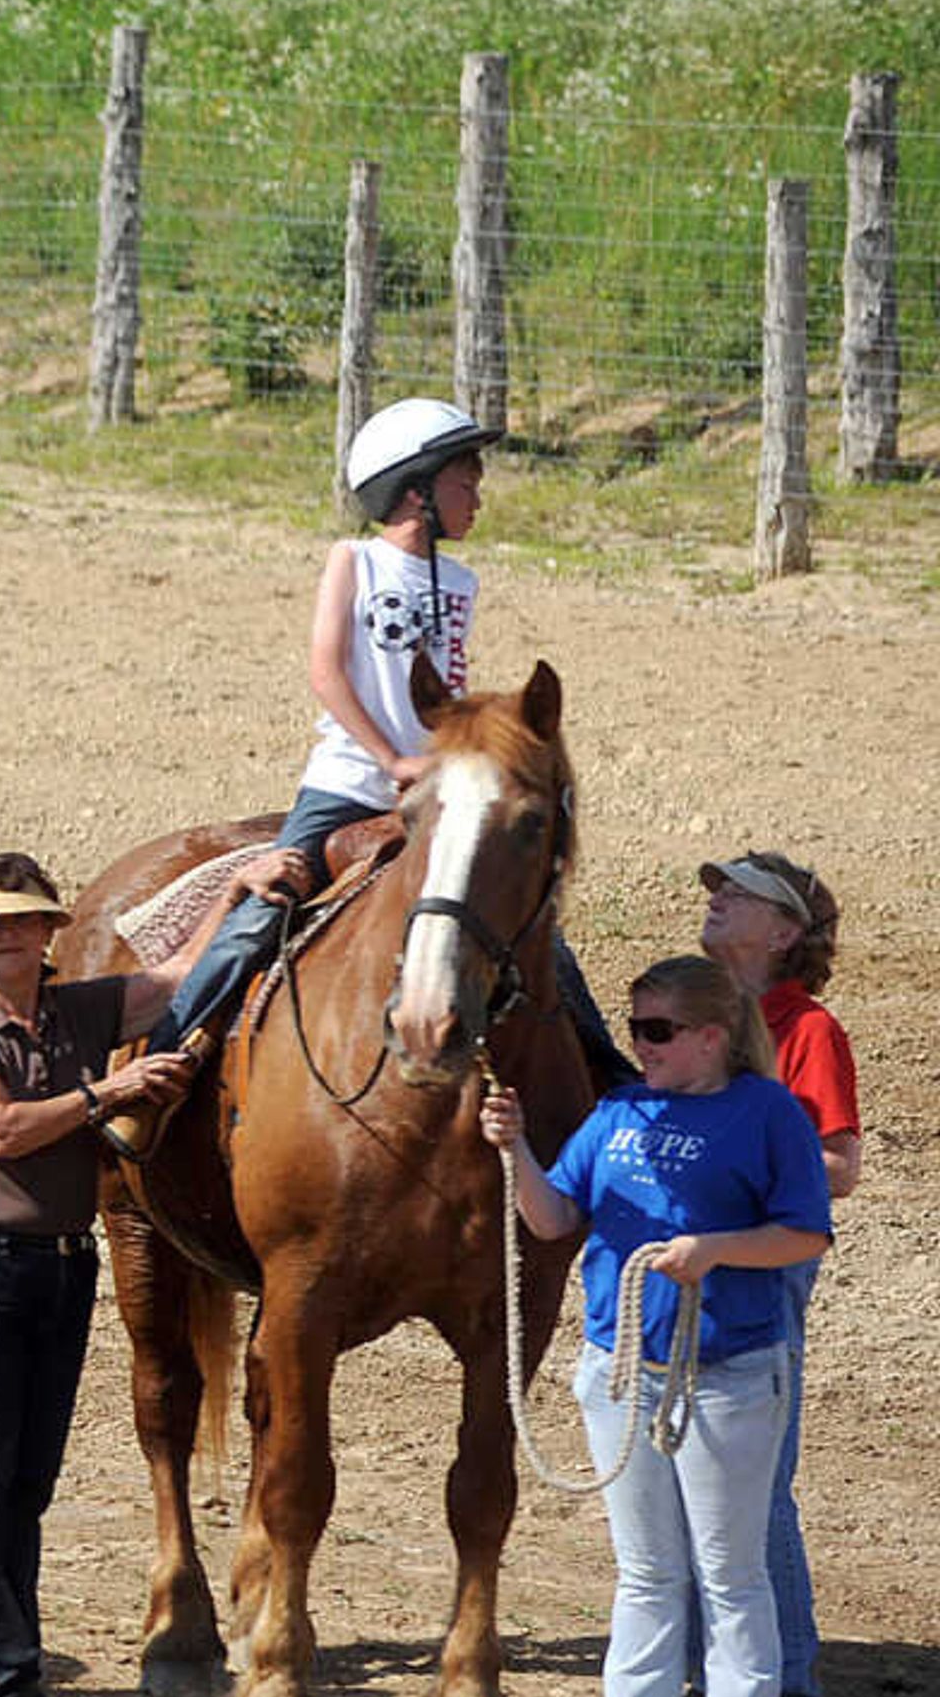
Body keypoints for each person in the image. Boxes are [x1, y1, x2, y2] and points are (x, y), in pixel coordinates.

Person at [110, 397, 624, 1154]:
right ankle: (171, 1059)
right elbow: (326, 673)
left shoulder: (462, 586)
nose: (477, 498)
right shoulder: (354, 561)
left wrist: (450, 760)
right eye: (464, 482)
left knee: (536, 933)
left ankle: (608, 1078)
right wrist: (391, 761)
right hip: (348, 781)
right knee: (263, 914)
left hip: (431, 791)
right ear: (415, 488)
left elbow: (438, 696)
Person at [480, 955, 832, 1697]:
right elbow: (555, 1219)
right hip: (621, 1370)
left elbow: (801, 1234)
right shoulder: (619, 1112)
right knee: (645, 1573)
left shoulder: (768, 1115)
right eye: (637, 1029)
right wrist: (515, 1146)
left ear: (712, 1036)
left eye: (657, 1031)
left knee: (728, 1575)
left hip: (730, 1373)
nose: (641, 1046)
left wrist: (713, 1251)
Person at [0, 851, 236, 1697]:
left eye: (24, 919)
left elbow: (176, 981)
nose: (9, 934)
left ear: (50, 933)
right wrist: (107, 1093)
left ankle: (15, 1683)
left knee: (26, 1487)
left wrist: (238, 896)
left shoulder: (82, 1009)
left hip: (58, 1267)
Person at [695, 852, 858, 1697]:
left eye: (740, 894)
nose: (716, 898)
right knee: (686, 1479)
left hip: (763, 1266)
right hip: (688, 1270)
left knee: (756, 1489)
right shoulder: (691, 1018)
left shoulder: (807, 1030)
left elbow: (839, 1167)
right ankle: (711, 1685)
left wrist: (730, 1176)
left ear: (786, 932)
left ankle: (788, 1695)